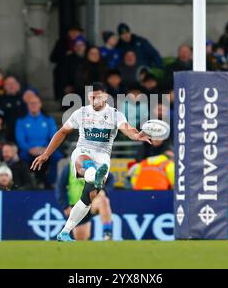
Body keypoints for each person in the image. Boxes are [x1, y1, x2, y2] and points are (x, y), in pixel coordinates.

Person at [31, 82, 151, 242]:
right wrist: (46, 154)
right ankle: (93, 174)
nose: (94, 100)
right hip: (83, 151)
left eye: (97, 97)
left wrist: (137, 136)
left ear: (106, 97)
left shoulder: (115, 115)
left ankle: (64, 232)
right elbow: (62, 132)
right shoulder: (80, 113)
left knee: (87, 198)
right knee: (83, 160)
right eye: (91, 97)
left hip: (103, 156)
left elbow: (127, 128)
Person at [55, 161, 114, 240]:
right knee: (81, 239)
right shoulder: (70, 167)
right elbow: (60, 187)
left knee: (103, 201)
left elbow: (110, 178)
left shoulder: (97, 164)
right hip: (77, 206)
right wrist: (65, 206)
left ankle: (107, 233)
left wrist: (104, 191)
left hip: (93, 202)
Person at [16, 95, 62, 187]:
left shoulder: (48, 119)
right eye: (31, 103)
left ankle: (50, 183)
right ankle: (27, 183)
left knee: (58, 156)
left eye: (35, 103)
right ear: (27, 105)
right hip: (28, 151)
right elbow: (20, 139)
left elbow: (54, 136)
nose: (34, 105)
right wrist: (29, 149)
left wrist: (46, 150)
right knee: (20, 159)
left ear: (40, 104)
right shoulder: (21, 120)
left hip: (46, 150)